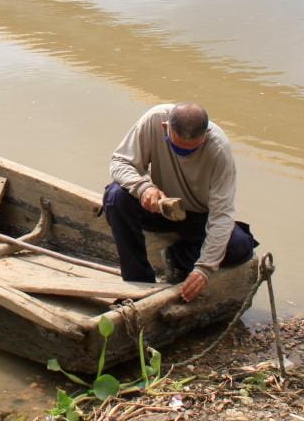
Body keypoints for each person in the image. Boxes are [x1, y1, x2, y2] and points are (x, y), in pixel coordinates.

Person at [103, 102, 257, 302]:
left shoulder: (219, 149)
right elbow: (119, 162)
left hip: (198, 216)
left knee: (240, 248)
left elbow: (222, 214)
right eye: (177, 147)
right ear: (165, 128)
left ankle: (178, 257)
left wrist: (204, 269)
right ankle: (138, 280)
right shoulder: (153, 120)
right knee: (116, 197)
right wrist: (144, 188)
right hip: (160, 206)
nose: (184, 154)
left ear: (205, 135)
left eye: (192, 150)